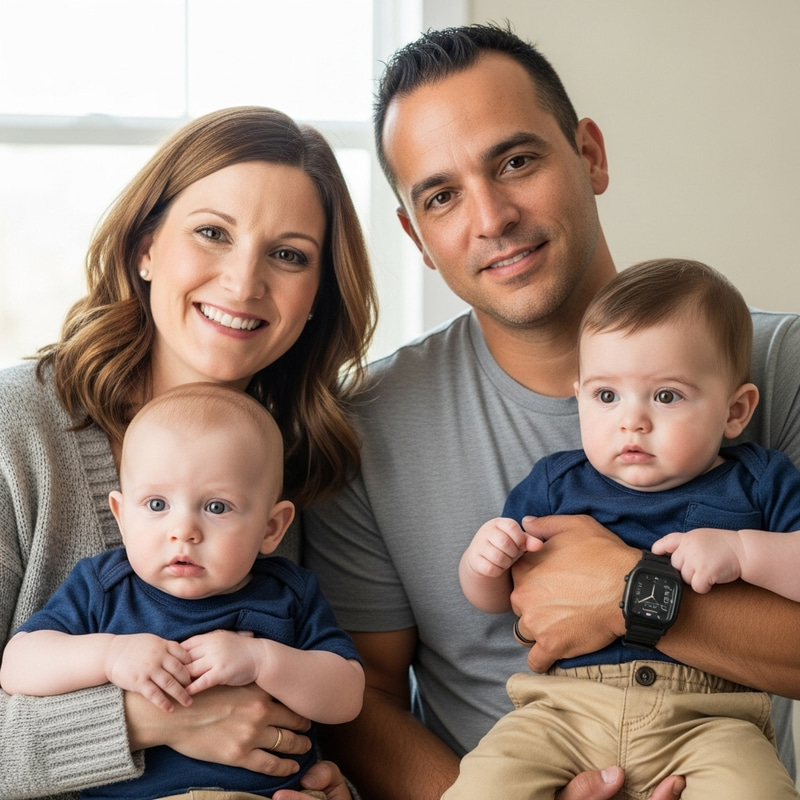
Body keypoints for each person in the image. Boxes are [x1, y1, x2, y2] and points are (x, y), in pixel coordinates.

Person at [303, 23, 800, 800]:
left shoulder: (779, 366)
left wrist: (632, 595)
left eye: (517, 161)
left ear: (590, 156)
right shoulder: (361, 424)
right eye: (442, 196)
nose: (492, 216)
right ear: (417, 237)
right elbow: (362, 696)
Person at [0, 105, 377, 800]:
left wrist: (332, 784)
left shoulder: (312, 456)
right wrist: (145, 720)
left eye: (288, 255)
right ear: (146, 247)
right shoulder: (15, 429)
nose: (243, 283)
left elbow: (321, 698)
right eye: (212, 234)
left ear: (317, 295)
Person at [452, 258, 799, 799]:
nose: (631, 420)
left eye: (666, 396)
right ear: (580, 395)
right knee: (485, 784)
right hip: (563, 712)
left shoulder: (758, 481)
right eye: (606, 396)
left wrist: (744, 552)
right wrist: (483, 561)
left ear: (735, 411)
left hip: (710, 720)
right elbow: (501, 599)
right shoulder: (556, 483)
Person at [1, 382, 365, 799]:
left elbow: (347, 695)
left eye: (216, 507)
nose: (184, 532)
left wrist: (263, 660)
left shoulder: (288, 594)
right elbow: (18, 663)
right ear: (121, 516)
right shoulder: (102, 588)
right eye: (157, 505)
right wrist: (108, 656)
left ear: (271, 528)